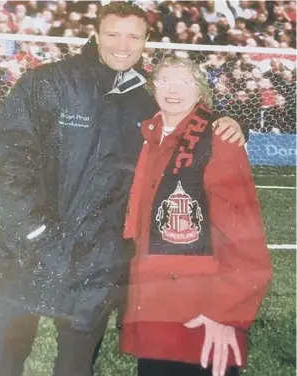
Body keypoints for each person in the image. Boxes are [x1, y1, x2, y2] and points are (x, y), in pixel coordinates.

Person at [0, 3, 247, 376]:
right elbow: (1, 159)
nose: (123, 45)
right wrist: (37, 230)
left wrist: (229, 121)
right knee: (1, 361)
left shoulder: (147, 97)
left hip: (95, 265)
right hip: (28, 251)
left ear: (146, 41)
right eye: (113, 34)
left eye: (133, 36)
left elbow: (188, 114)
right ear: (96, 35)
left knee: (75, 366)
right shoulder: (48, 82)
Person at [120, 57, 272, 376]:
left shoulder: (218, 141)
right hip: (154, 305)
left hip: (201, 313)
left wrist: (224, 314)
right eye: (164, 80)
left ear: (200, 91)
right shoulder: (149, 137)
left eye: (184, 82)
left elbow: (245, 239)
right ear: (153, 87)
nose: (173, 90)